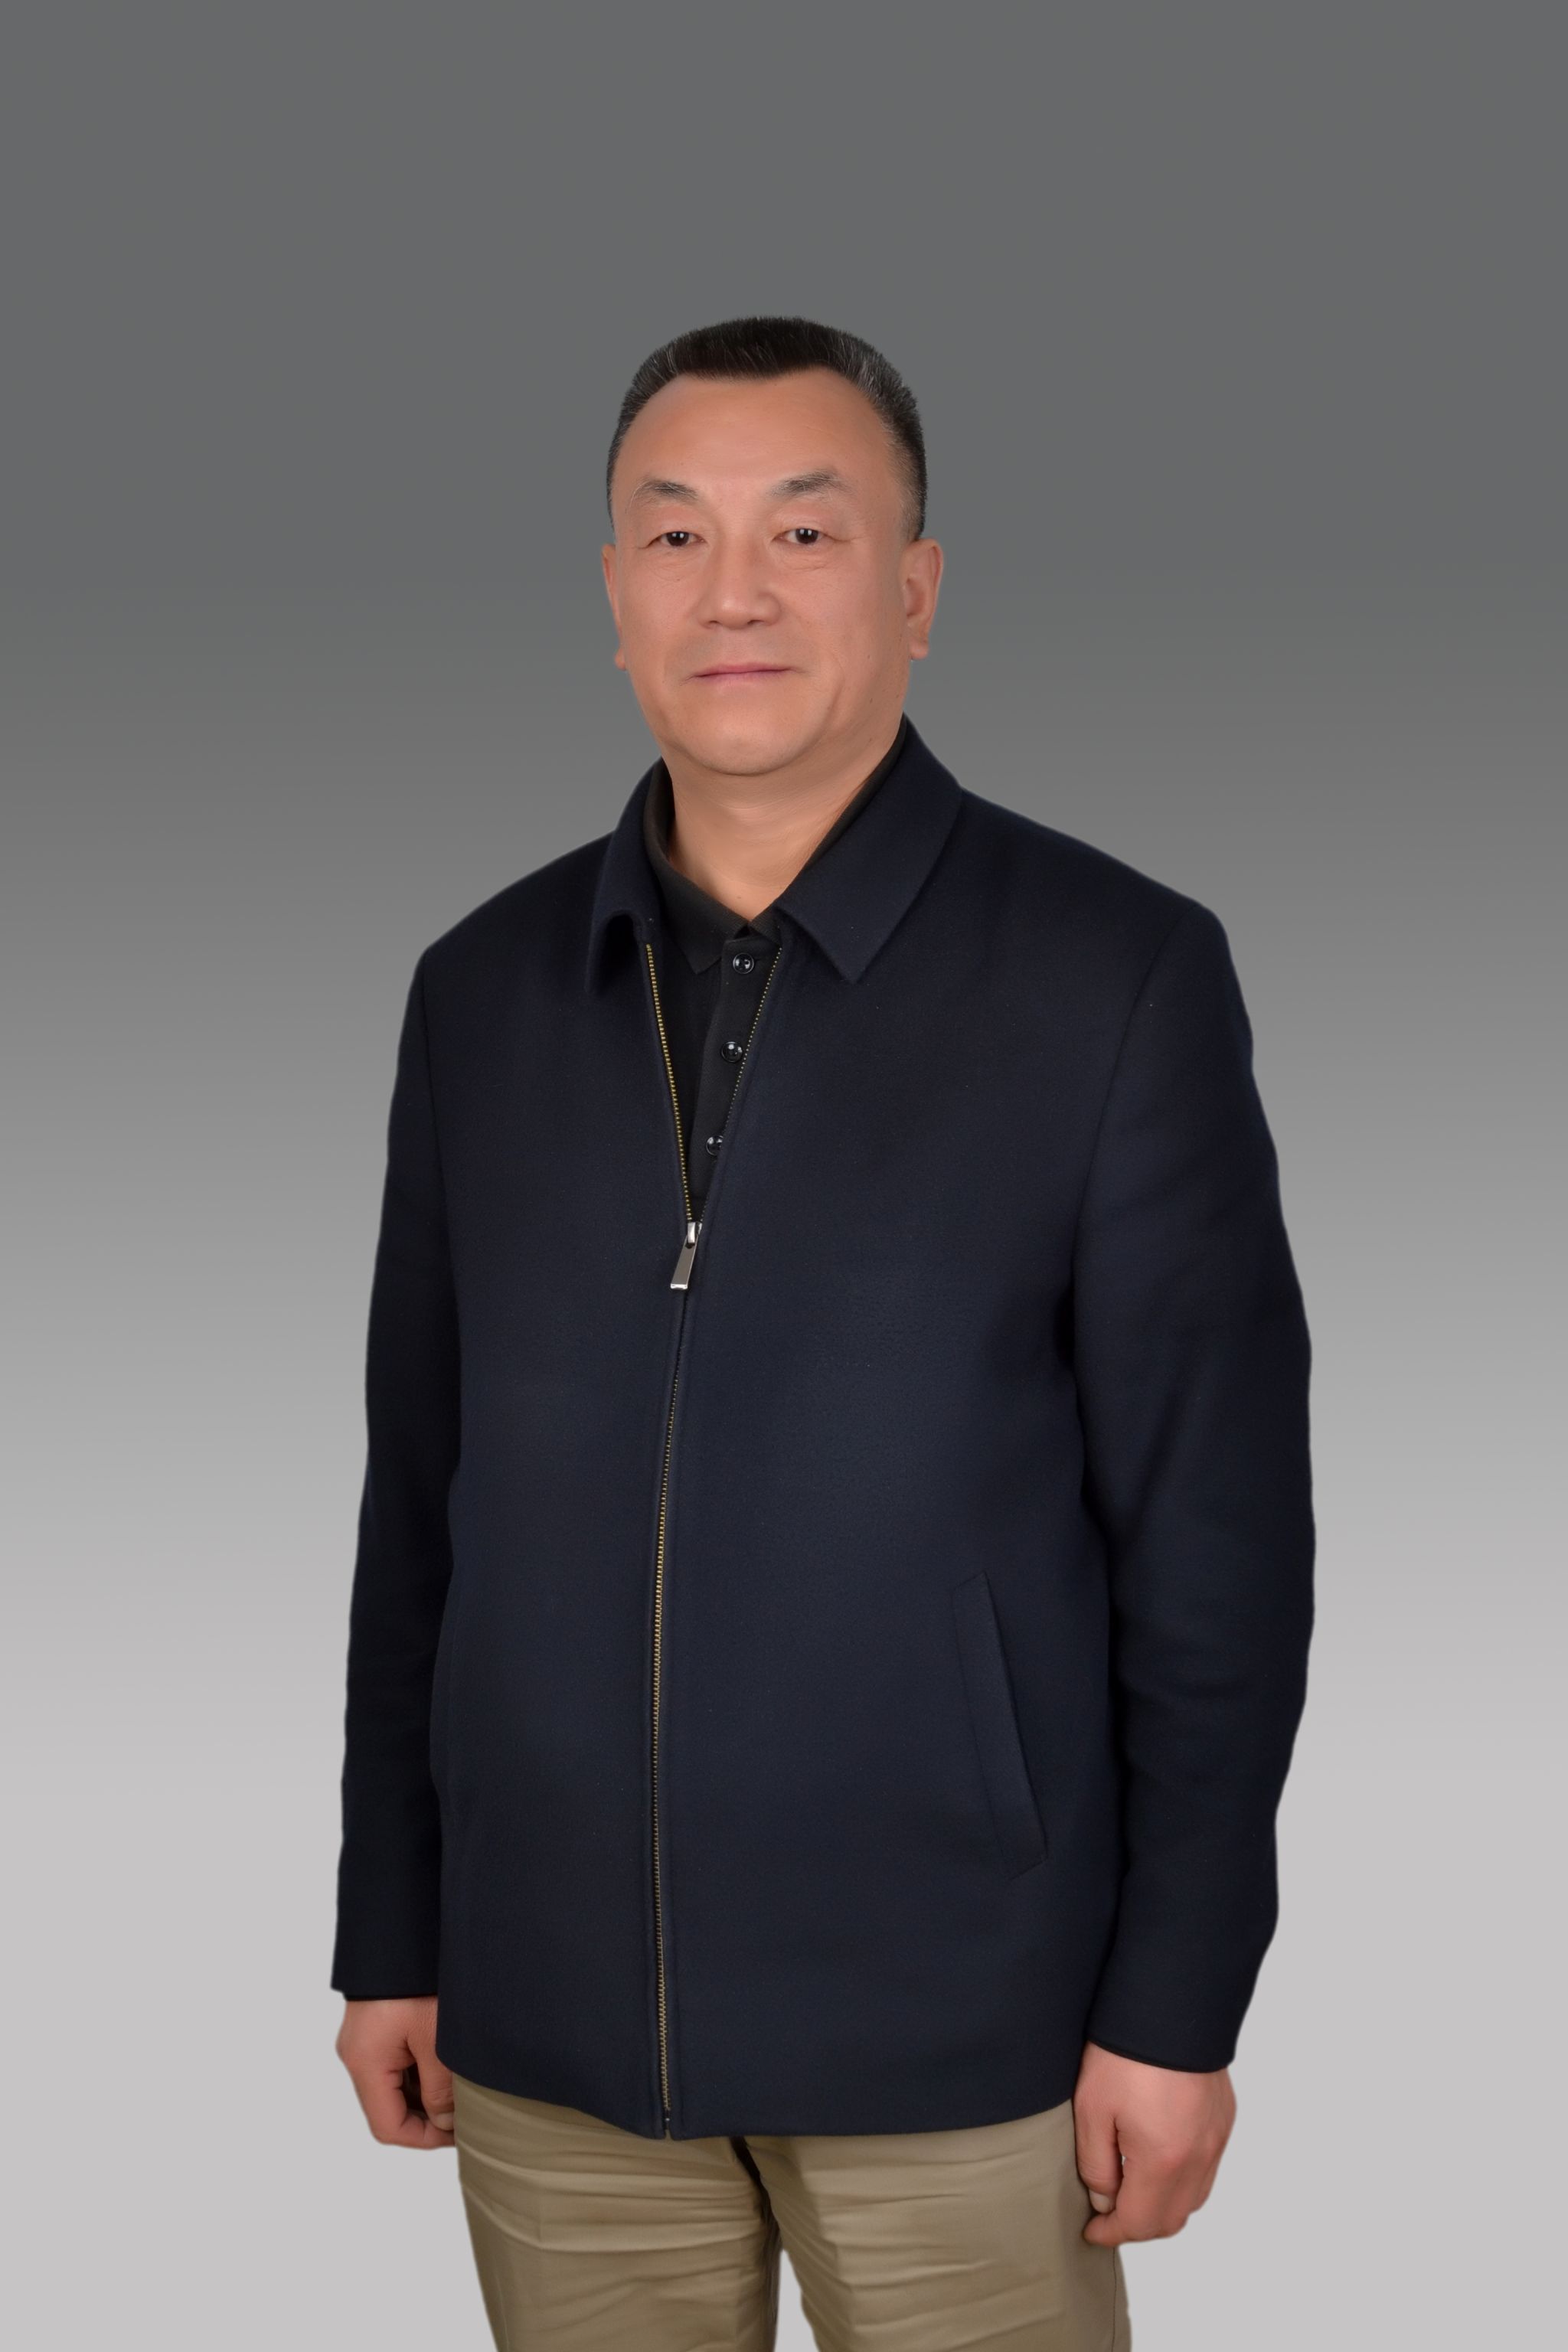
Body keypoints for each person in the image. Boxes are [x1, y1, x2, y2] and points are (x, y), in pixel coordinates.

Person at [331, 314, 1315, 2351]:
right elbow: (420, 1508)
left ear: (916, 588)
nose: (736, 591)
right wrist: (392, 1926)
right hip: (550, 2033)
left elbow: (1218, 1546)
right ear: (615, 595)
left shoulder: (1115, 977)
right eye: (675, 535)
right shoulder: (480, 993)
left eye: (805, 529)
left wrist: (1177, 2003)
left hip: (968, 2033)